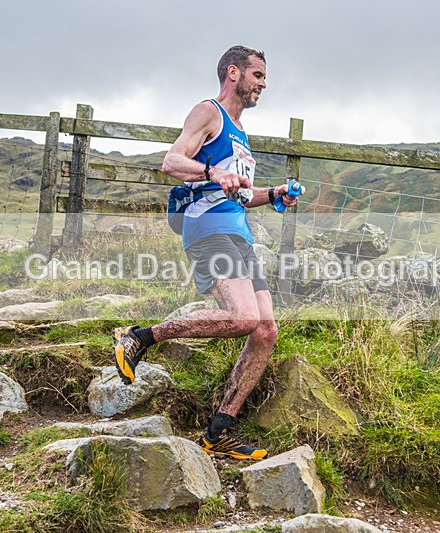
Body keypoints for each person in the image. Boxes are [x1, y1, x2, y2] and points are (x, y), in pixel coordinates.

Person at [112, 45, 302, 461]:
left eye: (265, 78)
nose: (263, 85)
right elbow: (172, 161)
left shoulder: (240, 133)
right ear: (233, 73)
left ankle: (220, 430)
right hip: (207, 230)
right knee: (243, 317)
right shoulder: (208, 112)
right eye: (258, 76)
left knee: (265, 331)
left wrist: (274, 195)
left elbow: (240, 193)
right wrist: (212, 171)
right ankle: (138, 337)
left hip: (238, 233)